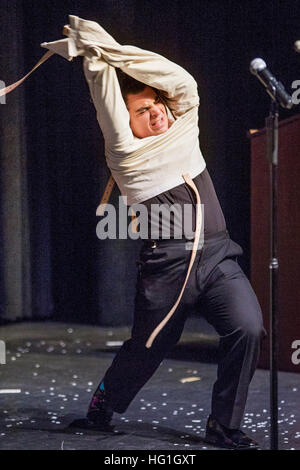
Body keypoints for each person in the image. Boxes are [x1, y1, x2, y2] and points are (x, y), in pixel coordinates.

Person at [41, 15, 266, 450]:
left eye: (156, 104)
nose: (156, 113)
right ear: (127, 124)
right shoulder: (125, 150)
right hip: (168, 264)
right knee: (146, 348)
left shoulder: (184, 125)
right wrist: (94, 56)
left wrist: (114, 49)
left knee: (248, 328)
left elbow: (179, 81)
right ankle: (102, 407)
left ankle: (223, 424)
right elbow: (106, 98)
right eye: (141, 111)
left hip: (219, 258)